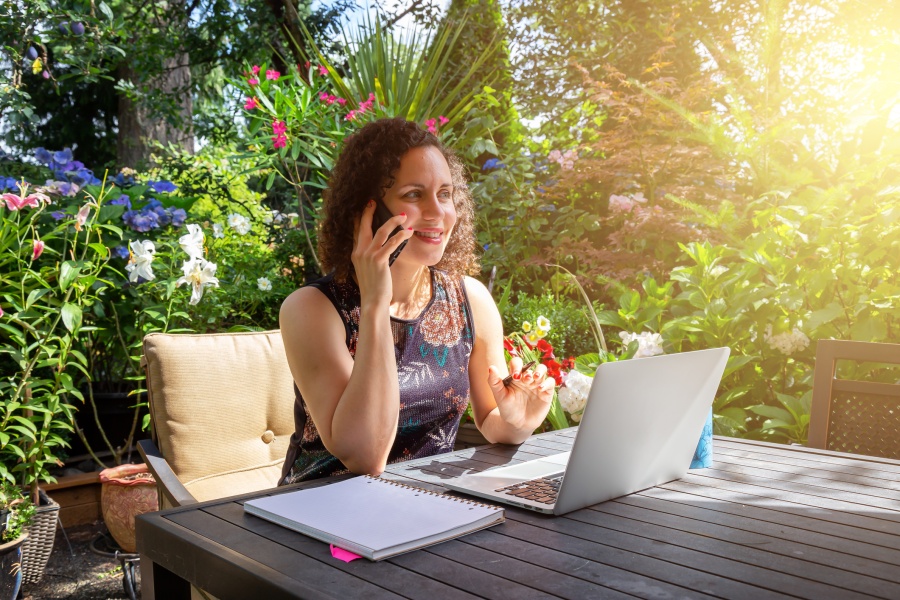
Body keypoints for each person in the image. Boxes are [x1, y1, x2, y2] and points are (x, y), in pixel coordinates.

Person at [279, 117, 554, 484]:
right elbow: (364, 455)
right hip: (317, 517)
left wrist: (518, 421)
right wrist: (377, 303)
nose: (438, 212)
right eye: (413, 194)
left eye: (444, 193)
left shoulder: (469, 299)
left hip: (427, 506)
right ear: (368, 211)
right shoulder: (312, 310)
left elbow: (492, 421)